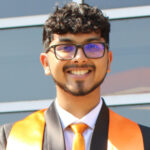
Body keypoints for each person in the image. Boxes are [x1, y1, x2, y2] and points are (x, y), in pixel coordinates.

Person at [0, 2, 150, 150]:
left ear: (109, 61)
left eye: (92, 47)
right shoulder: (9, 140)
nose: (79, 58)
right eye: (66, 47)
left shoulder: (144, 141)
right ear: (46, 63)